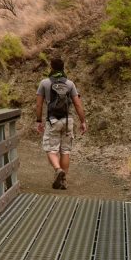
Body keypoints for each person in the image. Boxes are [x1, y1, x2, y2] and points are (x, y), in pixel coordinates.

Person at [35, 58, 87, 190]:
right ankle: (63, 182)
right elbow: (77, 104)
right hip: (67, 121)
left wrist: (39, 121)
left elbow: (39, 104)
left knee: (51, 150)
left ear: (51, 67)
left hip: (52, 121)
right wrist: (83, 121)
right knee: (65, 151)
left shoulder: (44, 83)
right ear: (63, 68)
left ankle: (58, 170)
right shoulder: (70, 84)